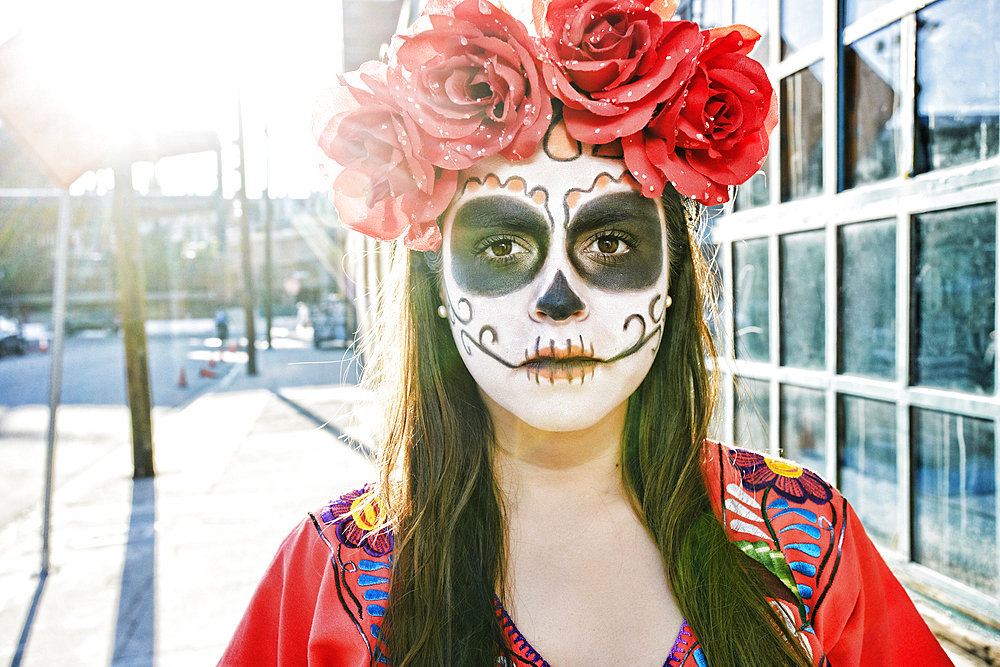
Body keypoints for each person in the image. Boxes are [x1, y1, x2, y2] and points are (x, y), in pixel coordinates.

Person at [218, 0, 955, 665]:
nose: (560, 299)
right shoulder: (324, 576)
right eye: (504, 248)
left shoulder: (809, 533)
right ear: (438, 289)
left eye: (610, 244)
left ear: (674, 281)